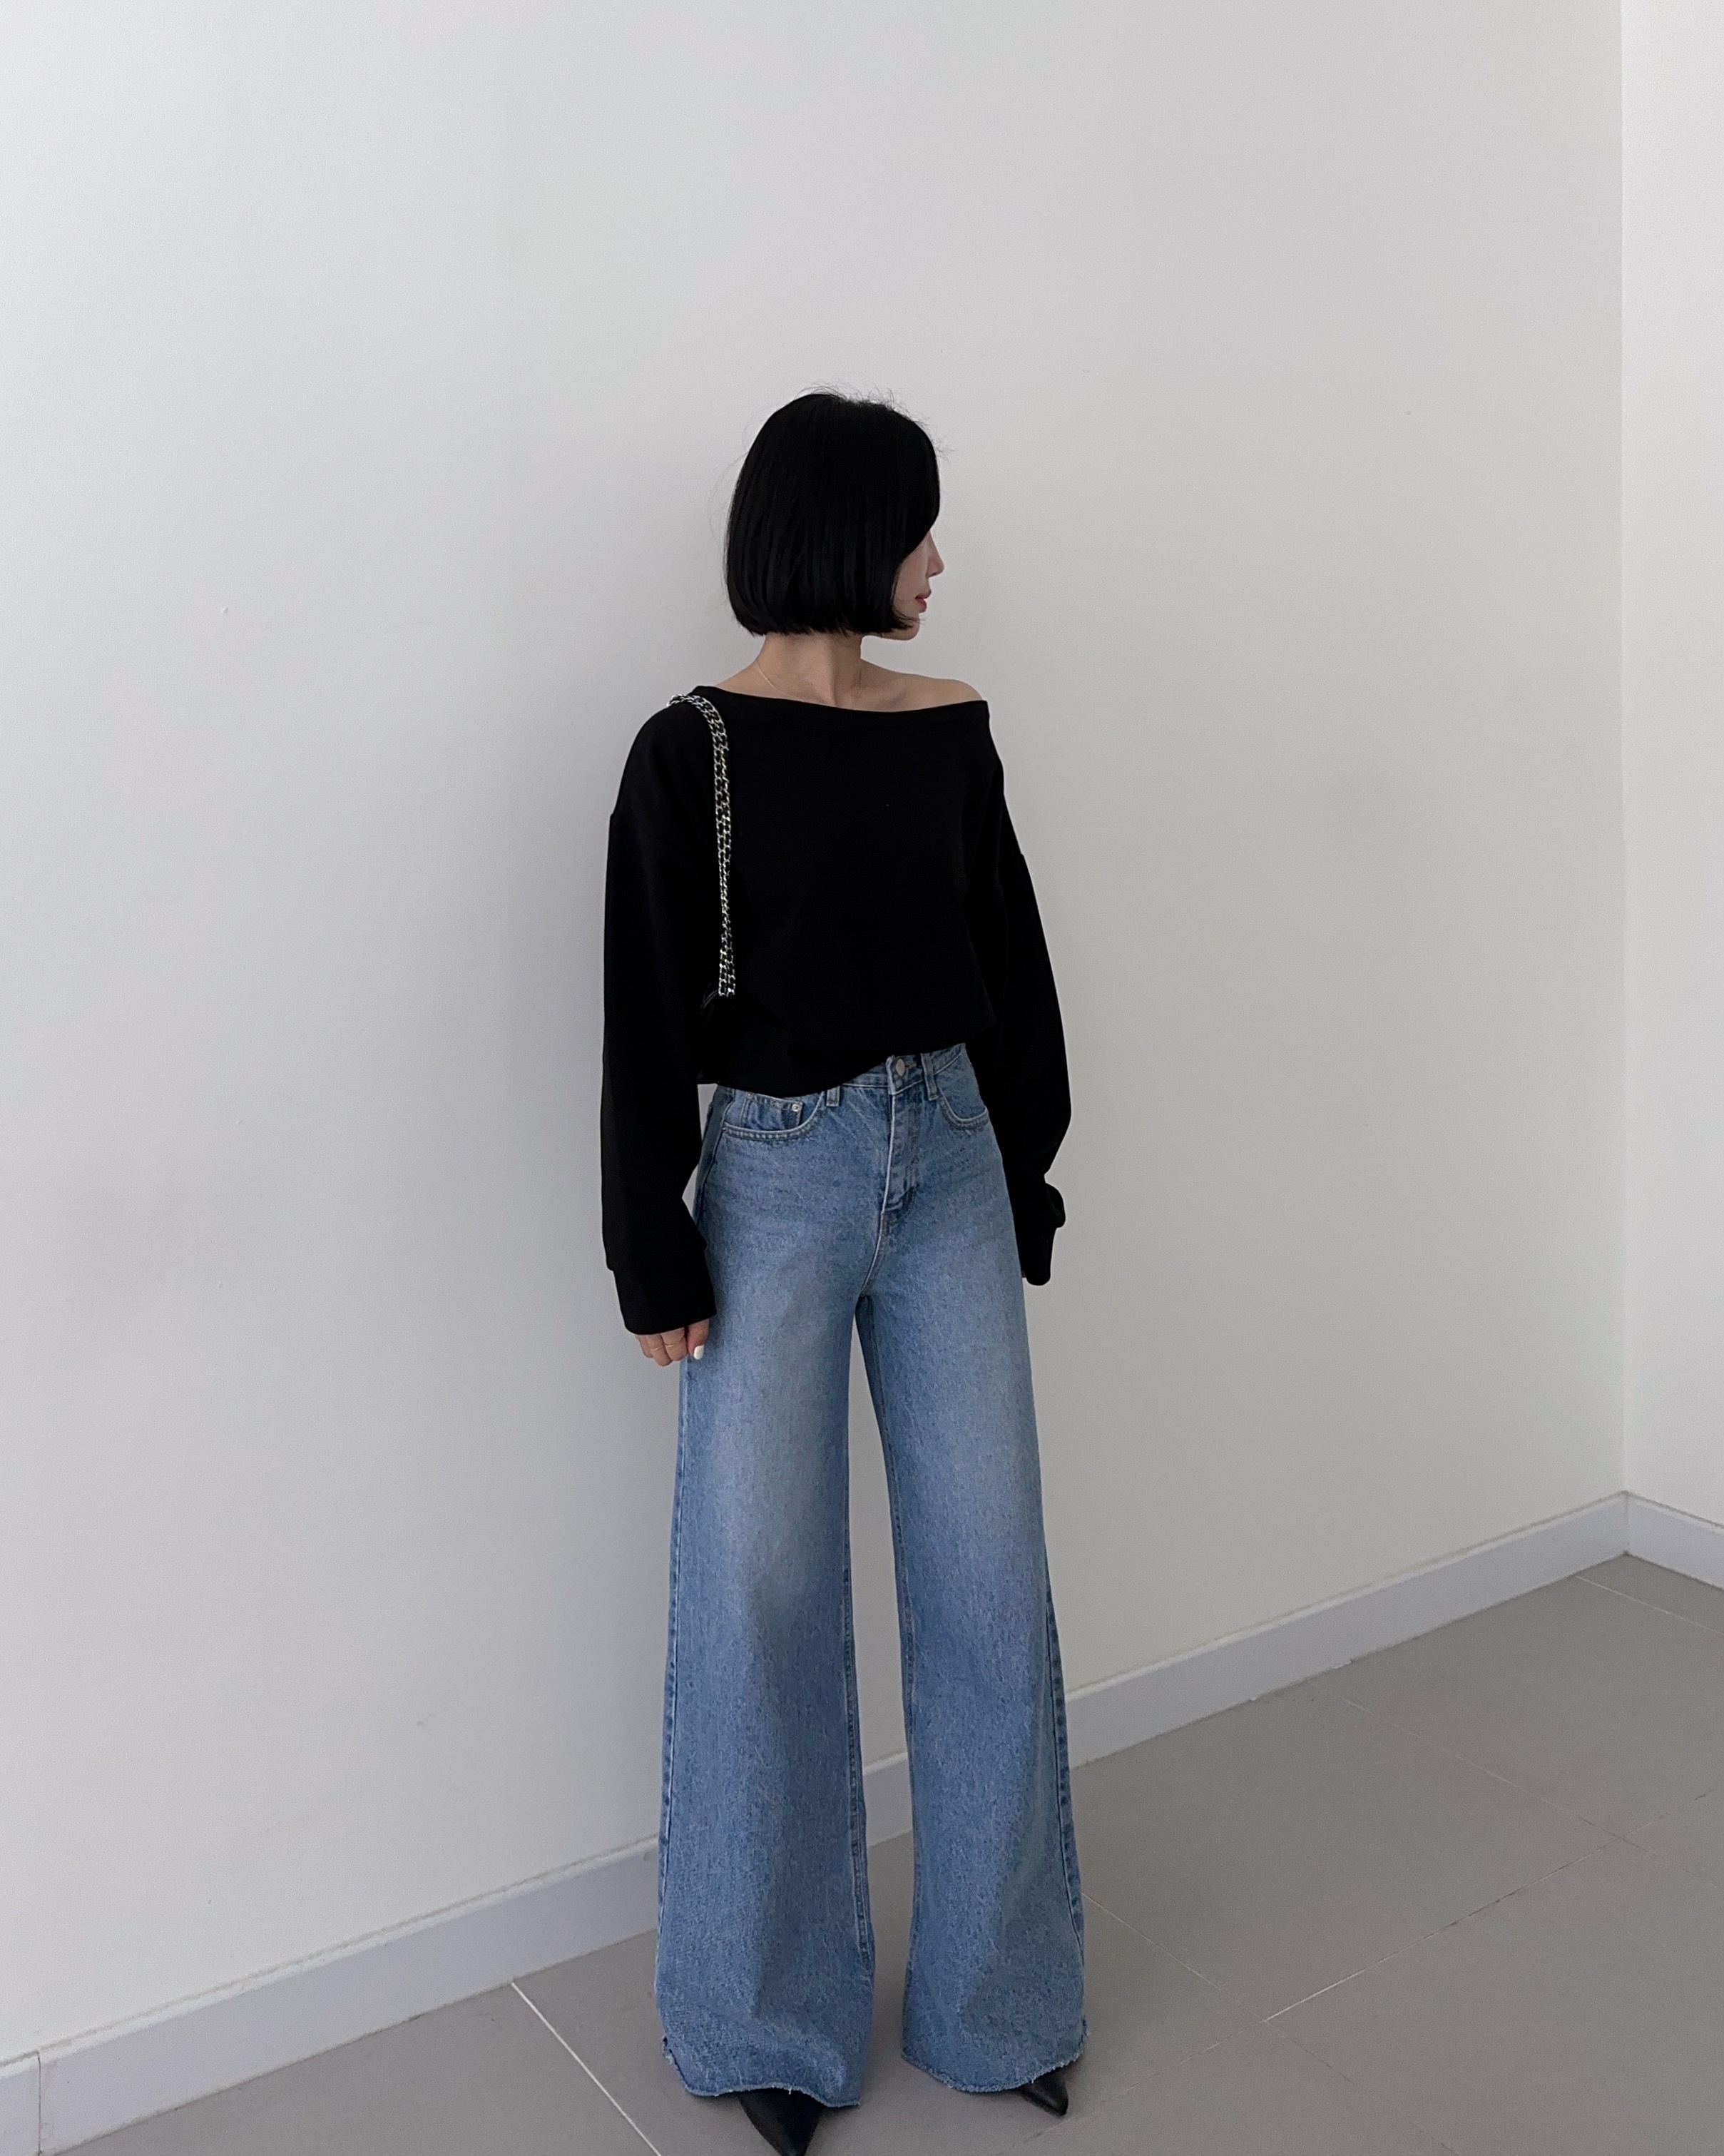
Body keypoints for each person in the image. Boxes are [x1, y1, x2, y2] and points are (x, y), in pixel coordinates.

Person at [600, 390, 1083, 2156]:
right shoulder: (689, 751)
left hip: (947, 1160)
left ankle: (998, 2000)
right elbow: (644, 1007)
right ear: (844, 530)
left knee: (988, 1577)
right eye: (917, 526)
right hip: (777, 1186)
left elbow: (1009, 963)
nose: (939, 560)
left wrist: (1023, 1168)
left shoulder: (949, 726)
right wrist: (649, 1240)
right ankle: (766, 2019)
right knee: (764, 1597)